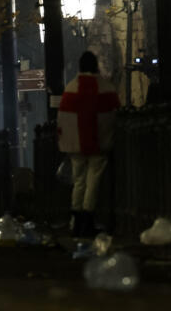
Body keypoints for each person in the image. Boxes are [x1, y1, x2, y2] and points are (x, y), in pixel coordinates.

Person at [56, 51, 120, 238]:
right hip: (99, 143)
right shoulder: (106, 88)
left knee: (79, 181)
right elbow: (113, 114)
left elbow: (63, 120)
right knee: (93, 182)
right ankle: (87, 219)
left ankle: (76, 220)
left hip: (75, 145)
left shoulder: (70, 88)